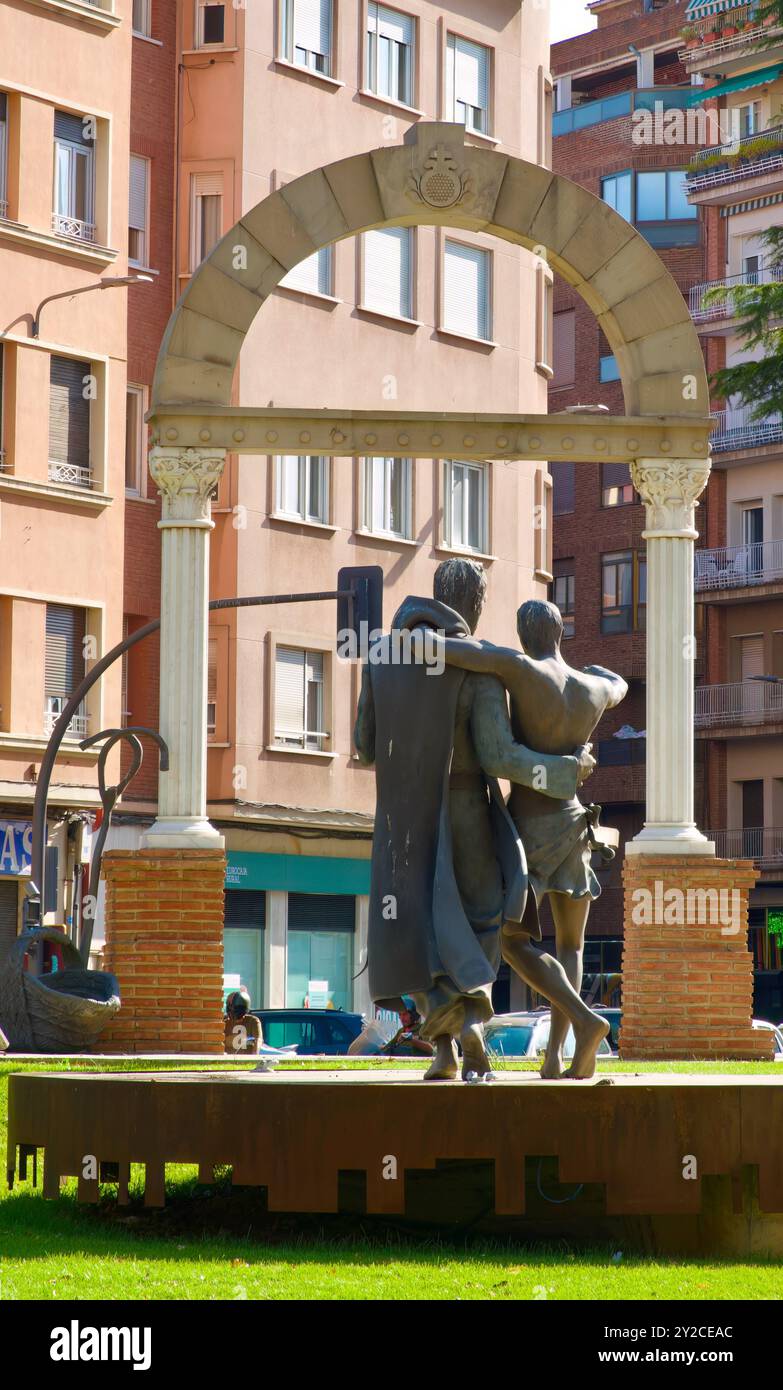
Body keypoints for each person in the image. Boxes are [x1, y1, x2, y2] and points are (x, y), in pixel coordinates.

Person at [354, 559, 607, 1081]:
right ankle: (468, 1027)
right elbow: (498, 756)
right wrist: (566, 770)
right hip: (466, 808)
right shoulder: (479, 666)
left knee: (418, 928)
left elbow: (364, 746)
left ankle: (445, 1051)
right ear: (473, 603)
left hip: (404, 819)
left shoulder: (381, 654)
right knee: (478, 926)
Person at [434, 598, 628, 1078]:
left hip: (529, 831)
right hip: (575, 824)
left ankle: (584, 1027)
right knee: (572, 945)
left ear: (526, 637)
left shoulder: (518, 669)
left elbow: (466, 653)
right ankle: (555, 1055)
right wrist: (599, 669)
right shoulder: (594, 686)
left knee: (510, 939)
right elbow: (621, 684)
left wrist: (411, 640)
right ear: (561, 634)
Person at [224, 989, 261, 1056]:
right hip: (228, 1061)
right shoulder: (224, 1022)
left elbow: (258, 1040)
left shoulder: (253, 1021)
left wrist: (254, 1056)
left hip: (245, 1061)